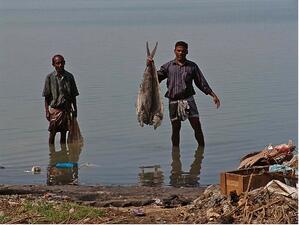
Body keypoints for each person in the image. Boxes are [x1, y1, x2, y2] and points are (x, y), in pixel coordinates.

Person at [148, 41, 220, 147]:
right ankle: (175, 155)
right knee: (176, 129)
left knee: (197, 126)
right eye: (178, 50)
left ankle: (201, 150)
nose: (180, 53)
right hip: (173, 101)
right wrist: (149, 65)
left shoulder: (192, 66)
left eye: (183, 51)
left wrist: (213, 95)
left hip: (189, 100)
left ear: (187, 52)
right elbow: (155, 78)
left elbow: (201, 82)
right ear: (174, 51)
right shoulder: (168, 66)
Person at [42, 55, 79, 145]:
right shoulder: (50, 77)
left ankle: (63, 155)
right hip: (55, 110)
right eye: (58, 63)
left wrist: (75, 110)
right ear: (53, 64)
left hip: (66, 110)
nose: (60, 65)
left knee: (64, 134)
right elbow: (46, 97)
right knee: (52, 133)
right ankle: (52, 154)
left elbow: (73, 95)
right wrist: (47, 111)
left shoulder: (69, 77)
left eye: (62, 63)